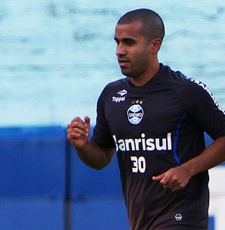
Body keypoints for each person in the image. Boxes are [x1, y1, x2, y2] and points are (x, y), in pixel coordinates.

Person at [67, 8, 225, 230]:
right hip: (141, 221)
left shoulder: (186, 91)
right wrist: (82, 146)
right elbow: (101, 157)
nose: (119, 51)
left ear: (155, 45)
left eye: (129, 43)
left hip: (182, 219)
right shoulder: (111, 96)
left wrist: (187, 170)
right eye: (117, 42)